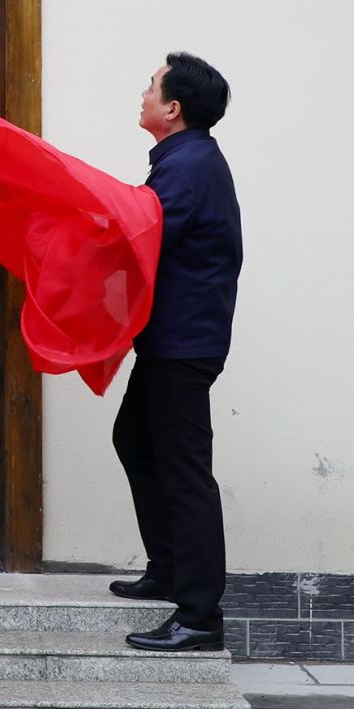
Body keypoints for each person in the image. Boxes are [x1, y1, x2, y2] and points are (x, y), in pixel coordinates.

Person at [112, 53, 243, 653]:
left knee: (188, 475)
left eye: (151, 87)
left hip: (183, 345)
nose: (142, 94)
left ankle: (199, 616)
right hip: (174, 339)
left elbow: (143, 234)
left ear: (173, 109)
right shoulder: (185, 160)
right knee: (135, 440)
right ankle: (168, 571)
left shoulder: (188, 166)